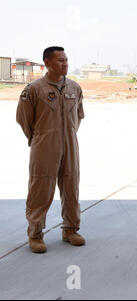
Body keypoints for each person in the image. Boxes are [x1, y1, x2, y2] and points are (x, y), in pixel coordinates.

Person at [16, 46, 85, 253]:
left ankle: (70, 230)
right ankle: (35, 234)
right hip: (44, 145)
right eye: (60, 61)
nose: (65, 64)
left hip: (70, 144)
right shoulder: (34, 89)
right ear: (47, 63)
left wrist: (69, 135)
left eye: (66, 60)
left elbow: (79, 116)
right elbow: (23, 119)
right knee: (41, 188)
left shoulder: (74, 87)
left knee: (71, 185)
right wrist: (39, 138)